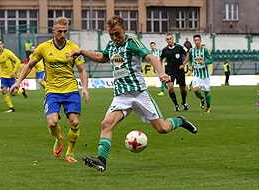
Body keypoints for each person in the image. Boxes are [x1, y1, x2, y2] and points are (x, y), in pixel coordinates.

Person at [70, 15, 198, 172]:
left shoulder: (132, 43)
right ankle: (102, 159)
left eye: (117, 33)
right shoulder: (111, 45)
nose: (114, 37)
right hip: (121, 96)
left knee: (162, 128)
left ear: (124, 29)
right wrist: (82, 51)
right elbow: (101, 57)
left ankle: (180, 120)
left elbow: (150, 56)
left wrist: (161, 73)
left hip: (139, 94)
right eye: (111, 34)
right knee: (106, 124)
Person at [10, 16, 90, 163]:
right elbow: (29, 66)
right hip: (52, 90)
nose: (63, 34)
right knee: (52, 123)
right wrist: (18, 82)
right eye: (60, 31)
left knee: (75, 122)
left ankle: (70, 153)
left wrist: (84, 87)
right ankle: (59, 138)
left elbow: (82, 70)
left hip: (71, 89)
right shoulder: (44, 47)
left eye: (65, 31)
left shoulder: (73, 47)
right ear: (53, 31)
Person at [0, 39, 28, 113]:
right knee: (3, 91)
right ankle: (11, 108)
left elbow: (18, 61)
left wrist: (13, 72)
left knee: (13, 93)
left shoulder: (8, 52)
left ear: (3, 45)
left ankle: (22, 91)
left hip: (11, 76)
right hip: (4, 76)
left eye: (0, 44)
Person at [160, 33, 189, 112]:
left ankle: (184, 102)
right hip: (170, 70)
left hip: (179, 70)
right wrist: (160, 70)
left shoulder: (179, 47)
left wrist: (183, 64)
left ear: (173, 39)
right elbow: (160, 59)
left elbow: (187, 54)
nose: (169, 40)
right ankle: (176, 105)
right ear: (166, 40)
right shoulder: (165, 50)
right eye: (167, 39)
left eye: (170, 39)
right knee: (170, 88)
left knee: (183, 89)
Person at [188, 34, 213, 113]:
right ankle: (201, 99)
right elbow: (190, 60)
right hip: (196, 74)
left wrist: (204, 62)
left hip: (205, 74)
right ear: (194, 41)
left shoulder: (205, 50)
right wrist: (190, 65)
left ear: (200, 41)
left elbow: (211, 60)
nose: (197, 42)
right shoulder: (191, 50)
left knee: (206, 92)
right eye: (195, 40)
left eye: (198, 40)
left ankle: (208, 107)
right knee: (195, 89)